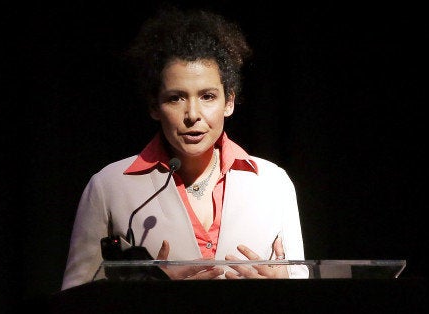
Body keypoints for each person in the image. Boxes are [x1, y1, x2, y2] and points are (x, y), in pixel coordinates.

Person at [61, 5, 308, 290]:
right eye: (176, 98)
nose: (192, 114)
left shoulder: (273, 182)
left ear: (229, 102)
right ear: (155, 106)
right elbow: (74, 297)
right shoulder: (109, 187)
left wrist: (285, 286)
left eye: (207, 96)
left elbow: (302, 283)